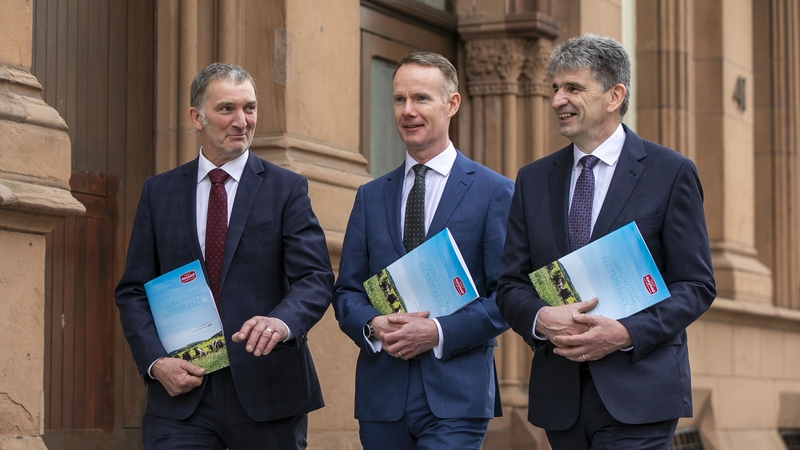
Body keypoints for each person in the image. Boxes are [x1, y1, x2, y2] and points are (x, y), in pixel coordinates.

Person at [496, 33, 717, 449]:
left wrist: (624, 332)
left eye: (573, 88)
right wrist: (541, 320)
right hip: (561, 397)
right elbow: (510, 285)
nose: (558, 99)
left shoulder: (670, 173)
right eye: (555, 89)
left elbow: (697, 285)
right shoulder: (532, 179)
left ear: (615, 95)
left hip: (641, 392)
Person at [115, 62, 334, 449]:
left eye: (249, 108)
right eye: (226, 109)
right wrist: (155, 363)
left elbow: (315, 278)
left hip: (267, 391)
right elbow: (134, 290)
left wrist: (281, 323)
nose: (241, 121)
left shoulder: (286, 189)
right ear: (196, 117)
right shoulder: (159, 192)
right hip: (182, 396)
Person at [332, 52, 513, 450]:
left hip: (456, 397)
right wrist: (372, 325)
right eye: (399, 100)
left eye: (421, 99)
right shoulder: (370, 196)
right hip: (382, 398)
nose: (408, 111)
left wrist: (437, 332)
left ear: (452, 104)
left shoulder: (493, 191)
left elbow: (508, 296)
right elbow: (346, 292)